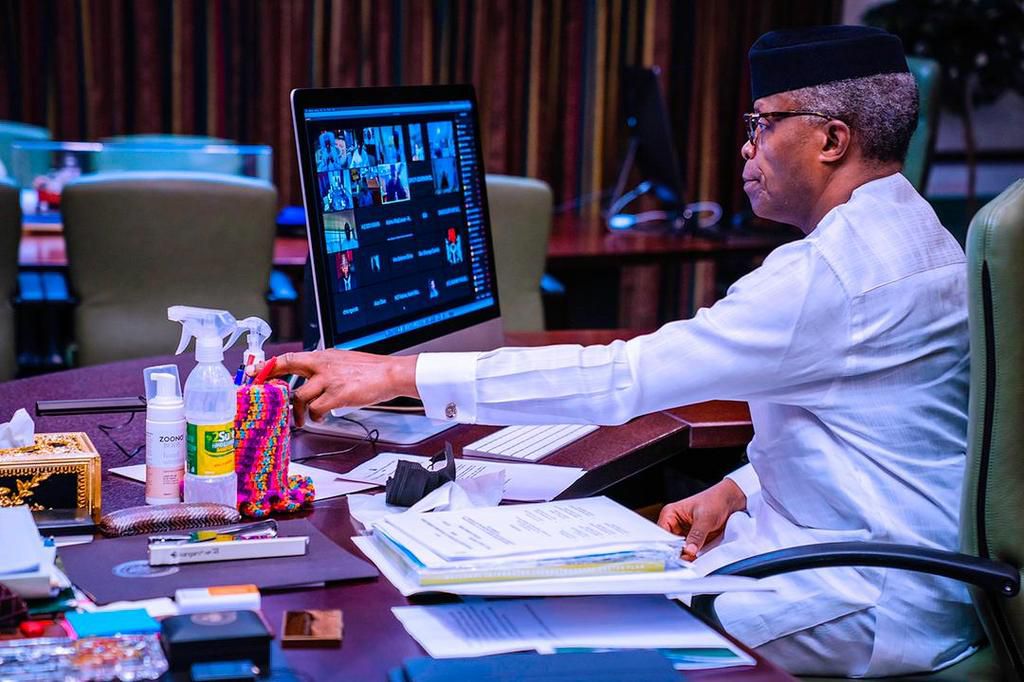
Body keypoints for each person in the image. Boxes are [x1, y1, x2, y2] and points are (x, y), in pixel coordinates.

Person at [253, 26, 979, 676]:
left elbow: (627, 378)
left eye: (764, 122)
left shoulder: (831, 273)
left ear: (832, 139)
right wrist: (739, 490)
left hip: (865, 596)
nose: (747, 146)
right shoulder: (914, 231)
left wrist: (396, 372)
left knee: (579, 645)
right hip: (880, 561)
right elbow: (876, 433)